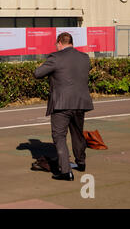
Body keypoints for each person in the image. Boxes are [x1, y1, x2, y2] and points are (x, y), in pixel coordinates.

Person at [34, 32, 94, 181]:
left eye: (56, 44)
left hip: (61, 103)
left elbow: (37, 73)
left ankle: (66, 171)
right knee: (78, 133)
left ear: (60, 42)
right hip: (80, 102)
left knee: (59, 136)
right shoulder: (84, 58)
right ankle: (81, 162)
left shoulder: (56, 57)